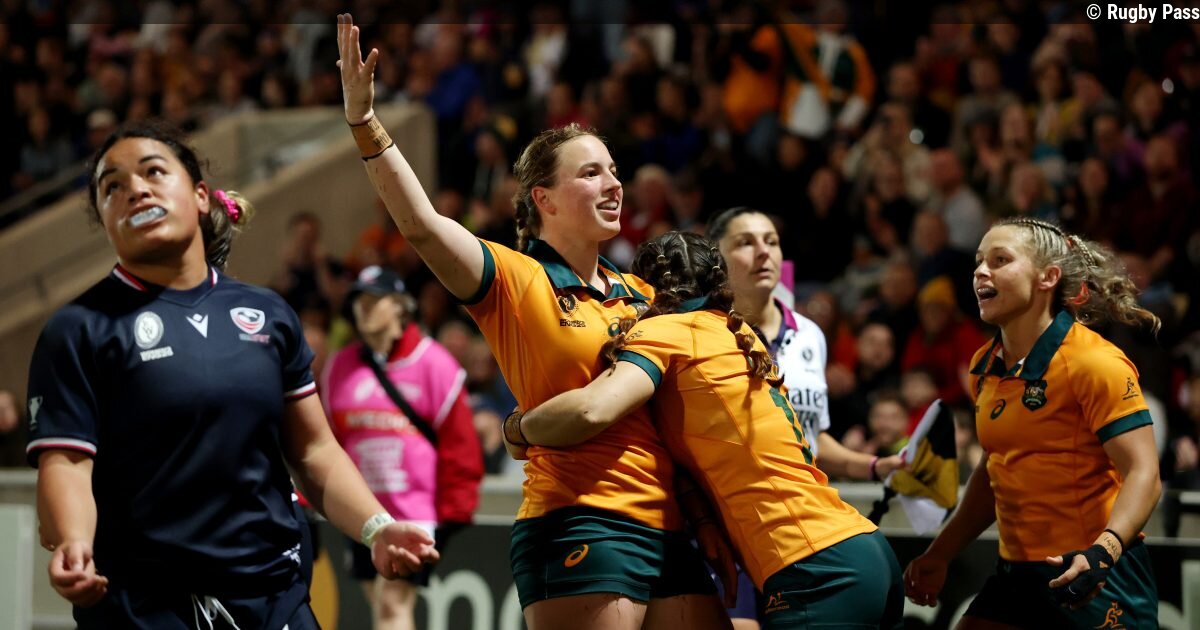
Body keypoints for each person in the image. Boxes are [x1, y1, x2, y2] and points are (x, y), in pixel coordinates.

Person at [336, 15, 729, 629]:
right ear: (543, 199)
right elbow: (422, 226)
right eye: (591, 173)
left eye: (614, 171)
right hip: (579, 520)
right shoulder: (515, 278)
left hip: (669, 528)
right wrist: (365, 121)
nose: (614, 184)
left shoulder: (642, 294)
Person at [26, 120, 439, 628]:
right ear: (105, 219)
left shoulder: (268, 314)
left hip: (275, 598)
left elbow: (313, 451)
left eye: (153, 172)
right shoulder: (78, 329)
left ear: (201, 196)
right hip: (144, 609)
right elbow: (66, 463)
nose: (135, 189)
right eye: (112, 187)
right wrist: (73, 541)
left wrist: (376, 528)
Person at [507, 232, 905, 630]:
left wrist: (519, 428)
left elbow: (593, 410)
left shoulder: (667, 332)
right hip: (862, 547)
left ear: (648, 289)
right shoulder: (742, 337)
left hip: (814, 566)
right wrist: (704, 522)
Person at [905, 217, 1162, 628]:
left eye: (1000, 260)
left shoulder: (1094, 363)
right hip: (1015, 574)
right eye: (979, 261)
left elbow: (1144, 473)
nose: (981, 271)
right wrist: (941, 551)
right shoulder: (983, 365)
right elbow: (997, 466)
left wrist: (1104, 551)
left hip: (1094, 573)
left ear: (1048, 277)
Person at [707, 206, 905, 628]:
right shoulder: (706, 335)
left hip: (801, 529)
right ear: (715, 257)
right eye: (745, 243)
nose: (764, 252)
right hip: (733, 526)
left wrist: (873, 465)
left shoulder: (810, 334)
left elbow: (813, 439)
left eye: (772, 241)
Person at [321, 264, 483, 630]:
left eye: (374, 299)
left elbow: (461, 446)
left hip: (415, 514)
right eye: (358, 300)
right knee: (380, 603)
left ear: (399, 306)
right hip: (362, 514)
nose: (364, 308)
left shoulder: (434, 363)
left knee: (392, 603)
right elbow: (329, 442)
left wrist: (453, 513)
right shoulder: (340, 366)